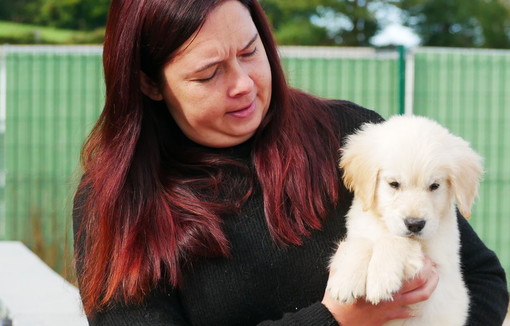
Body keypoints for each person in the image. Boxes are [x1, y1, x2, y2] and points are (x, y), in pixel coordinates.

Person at [72, 0, 509, 325]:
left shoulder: (351, 135)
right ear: (149, 82)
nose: (243, 84)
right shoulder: (118, 202)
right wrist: (333, 319)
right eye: (209, 74)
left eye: (249, 52)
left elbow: (483, 277)